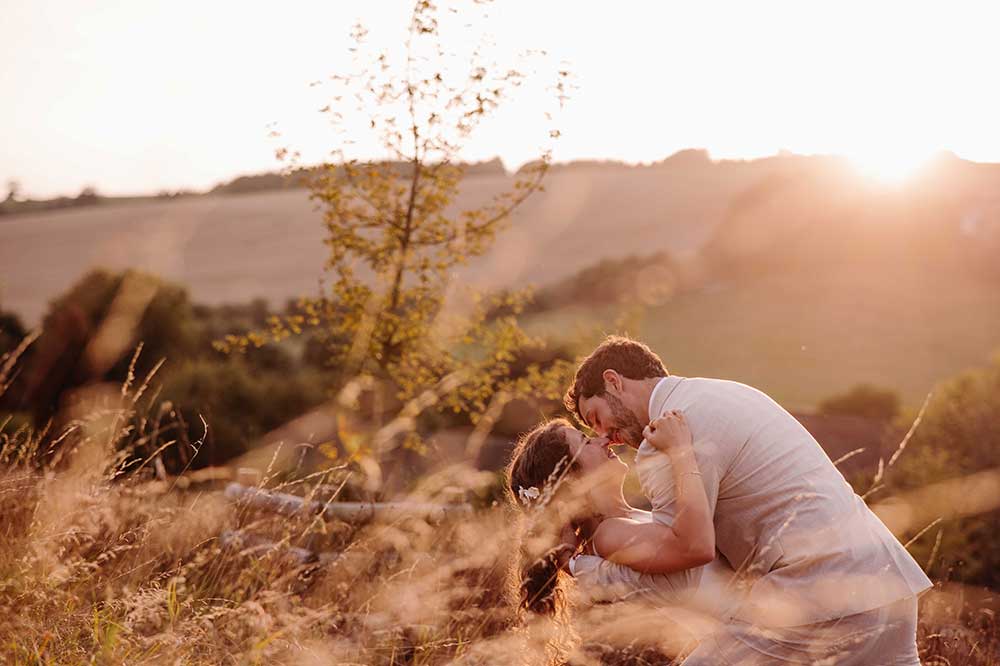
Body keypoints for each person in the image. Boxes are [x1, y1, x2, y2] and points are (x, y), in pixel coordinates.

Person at [559, 335, 931, 665]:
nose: (606, 437)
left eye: (596, 418)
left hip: (817, 592)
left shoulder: (668, 439)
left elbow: (684, 560)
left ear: (613, 381)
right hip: (888, 582)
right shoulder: (726, 391)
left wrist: (585, 570)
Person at [507, 412, 738, 626]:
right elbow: (695, 547)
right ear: (573, 480)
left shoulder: (617, 525)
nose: (602, 440)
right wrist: (680, 451)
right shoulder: (609, 534)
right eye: (587, 442)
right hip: (740, 632)